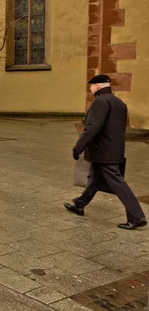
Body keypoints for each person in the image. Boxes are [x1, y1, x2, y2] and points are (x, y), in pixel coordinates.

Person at [64, 74, 147, 230]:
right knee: (95, 179)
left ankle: (137, 217)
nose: (90, 89)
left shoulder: (100, 102)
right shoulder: (119, 103)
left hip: (102, 151)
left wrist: (78, 147)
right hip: (113, 149)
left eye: (91, 86)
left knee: (117, 183)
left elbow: (93, 128)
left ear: (97, 86)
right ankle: (80, 205)